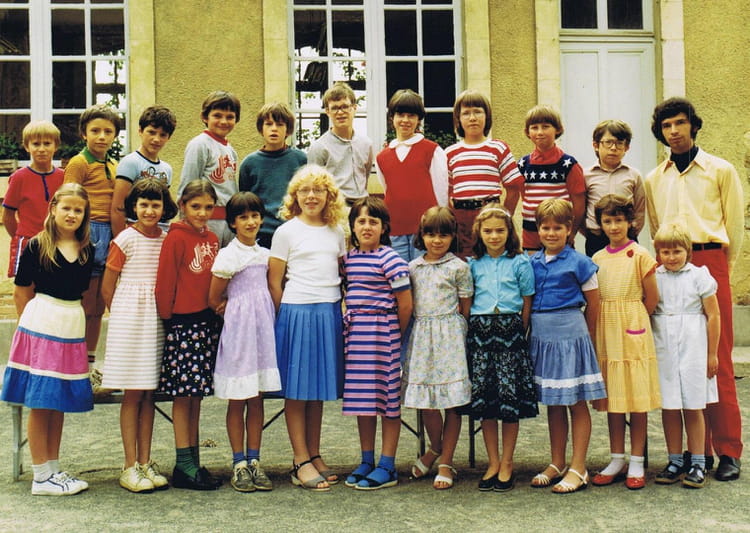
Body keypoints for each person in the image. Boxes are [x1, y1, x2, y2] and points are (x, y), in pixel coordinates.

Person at [645, 97, 744, 481]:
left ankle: (728, 450)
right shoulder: (655, 179)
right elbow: (657, 228)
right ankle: (695, 453)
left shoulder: (721, 170)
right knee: (679, 359)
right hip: (672, 265)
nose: (674, 131)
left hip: (711, 261)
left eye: (680, 123)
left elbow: (734, 227)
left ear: (693, 125)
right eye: (667, 126)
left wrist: (720, 272)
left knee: (716, 359)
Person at [1, 183, 94, 496]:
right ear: (53, 209)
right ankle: (40, 476)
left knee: (58, 401)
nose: (71, 214)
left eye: (78, 210)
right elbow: (21, 291)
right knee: (41, 401)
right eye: (66, 207)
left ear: (85, 215)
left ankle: (53, 469)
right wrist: (29, 333)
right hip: (43, 323)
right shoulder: (36, 245)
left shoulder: (87, 250)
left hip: (71, 325)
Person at [268, 165, 347, 492]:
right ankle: (300, 460)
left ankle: (314, 454)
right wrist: (285, 319)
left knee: (317, 392)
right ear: (295, 196)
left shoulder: (337, 231)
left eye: (318, 190)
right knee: (298, 392)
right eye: (304, 190)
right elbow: (275, 282)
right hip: (297, 311)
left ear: (329, 195)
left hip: (328, 312)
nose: (311, 196)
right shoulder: (286, 232)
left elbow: (342, 273)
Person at [99, 178, 178, 493]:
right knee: (133, 393)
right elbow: (108, 286)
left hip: (155, 321)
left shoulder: (167, 239)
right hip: (131, 321)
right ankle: (129, 464)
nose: (149, 210)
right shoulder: (125, 239)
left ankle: (145, 461)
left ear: (164, 208)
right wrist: (122, 317)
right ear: (134, 206)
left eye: (155, 205)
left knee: (148, 393)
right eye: (143, 204)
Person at [528, 198, 606, 493]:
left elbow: (594, 304)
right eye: (545, 228)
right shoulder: (531, 262)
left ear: (569, 229)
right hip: (542, 336)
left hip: (570, 336)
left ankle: (578, 466)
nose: (551, 233)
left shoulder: (581, 263)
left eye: (557, 228)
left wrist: (588, 338)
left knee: (575, 400)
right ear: (538, 229)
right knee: (554, 400)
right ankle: (557, 461)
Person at [208, 192, 281, 493]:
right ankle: (238, 462)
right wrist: (229, 307)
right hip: (240, 334)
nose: (250, 222)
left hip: (262, 333)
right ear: (232, 223)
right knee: (238, 398)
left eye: (254, 216)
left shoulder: (266, 255)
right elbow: (214, 297)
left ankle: (254, 459)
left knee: (257, 397)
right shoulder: (229, 255)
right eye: (243, 217)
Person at [341, 197, 413, 491]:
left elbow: (405, 304)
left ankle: (387, 464)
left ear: (384, 228)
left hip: (383, 333)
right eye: (361, 221)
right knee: (364, 401)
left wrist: (394, 333)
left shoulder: (391, 259)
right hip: (357, 335)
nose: (367, 227)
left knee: (387, 400)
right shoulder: (348, 259)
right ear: (353, 226)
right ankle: (367, 460)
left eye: (373, 221)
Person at [589, 194, 660, 490]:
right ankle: (617, 458)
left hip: (633, 327)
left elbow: (652, 297)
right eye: (608, 221)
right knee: (615, 397)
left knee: (636, 397)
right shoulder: (597, 259)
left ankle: (637, 460)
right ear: (600, 224)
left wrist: (635, 321)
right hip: (608, 331)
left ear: (630, 222)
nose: (614, 226)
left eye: (619, 220)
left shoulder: (640, 255)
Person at [155, 180, 222, 491]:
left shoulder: (212, 238)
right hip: (183, 324)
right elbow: (165, 284)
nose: (202, 213)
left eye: (208, 207)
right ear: (182, 205)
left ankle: (193, 460)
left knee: (196, 396)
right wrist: (169, 321)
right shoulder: (176, 237)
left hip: (206, 323)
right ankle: (183, 463)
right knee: (183, 396)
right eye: (196, 207)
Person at [466, 203, 538, 492]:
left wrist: (520, 330)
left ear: (509, 232)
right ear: (479, 233)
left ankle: (507, 462)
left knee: (509, 401)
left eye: (499, 230)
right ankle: (493, 462)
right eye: (488, 231)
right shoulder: (473, 264)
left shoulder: (520, 262)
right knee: (486, 402)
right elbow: (468, 300)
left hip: (510, 331)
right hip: (481, 333)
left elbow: (527, 300)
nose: (494, 236)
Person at [402, 206, 473, 490]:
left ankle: (446, 461)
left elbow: (465, 308)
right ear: (422, 235)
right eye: (431, 234)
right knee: (427, 401)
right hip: (422, 338)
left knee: (452, 402)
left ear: (452, 236)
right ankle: (435, 447)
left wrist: (457, 334)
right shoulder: (412, 268)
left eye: (443, 235)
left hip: (450, 338)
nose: (437, 240)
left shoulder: (459, 267)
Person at [650, 224, 720, 489]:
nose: (671, 257)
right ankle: (675, 460)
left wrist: (712, 354)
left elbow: (713, 315)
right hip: (664, 344)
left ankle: (698, 462)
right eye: (665, 252)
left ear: (687, 251)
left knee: (693, 404)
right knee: (669, 405)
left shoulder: (699, 276)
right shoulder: (654, 277)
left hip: (694, 345)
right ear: (658, 253)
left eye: (677, 251)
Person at [63, 104, 121, 375]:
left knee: (98, 306)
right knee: (84, 303)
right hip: (87, 231)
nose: (101, 136)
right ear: (83, 133)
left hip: (108, 233)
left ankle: (90, 363)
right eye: (95, 130)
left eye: (108, 131)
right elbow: (68, 201)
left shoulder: (113, 165)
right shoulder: (79, 163)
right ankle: (74, 365)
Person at [446, 90, 524, 258]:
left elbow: (513, 189)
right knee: (465, 262)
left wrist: (503, 217)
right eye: (466, 113)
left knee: (492, 259)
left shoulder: (498, 148)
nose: (472, 118)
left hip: (490, 216)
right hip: (462, 220)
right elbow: (447, 193)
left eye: (478, 112)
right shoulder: (450, 153)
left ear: (487, 116)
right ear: (458, 119)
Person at [376, 89, 448, 262]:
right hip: (395, 229)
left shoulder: (432, 150)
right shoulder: (382, 157)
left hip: (426, 230)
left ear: (418, 119)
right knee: (399, 274)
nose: (406, 120)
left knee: (424, 273)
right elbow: (388, 190)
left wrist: (438, 225)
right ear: (392, 117)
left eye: (411, 115)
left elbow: (441, 192)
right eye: (400, 115)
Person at [238, 102, 307, 248]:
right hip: (261, 235)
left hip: (294, 233)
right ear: (261, 128)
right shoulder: (249, 164)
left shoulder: (301, 160)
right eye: (269, 124)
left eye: (280, 124)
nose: (274, 129)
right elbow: (245, 203)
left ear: (288, 130)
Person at [517, 105, 585, 251]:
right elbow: (526, 197)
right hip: (531, 236)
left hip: (558, 235)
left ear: (558, 129)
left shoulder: (568, 164)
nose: (540, 132)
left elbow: (579, 204)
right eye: (534, 127)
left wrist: (572, 232)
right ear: (527, 132)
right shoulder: (523, 164)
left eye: (545, 126)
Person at [178, 90, 241, 247]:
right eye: (217, 116)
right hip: (207, 219)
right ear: (205, 117)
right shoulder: (200, 144)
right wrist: (185, 222)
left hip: (227, 221)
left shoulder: (231, 150)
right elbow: (188, 184)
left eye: (230, 117)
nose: (223, 121)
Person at [3, 120, 64, 277]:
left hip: (56, 241)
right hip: (27, 240)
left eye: (47, 143)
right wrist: (19, 236)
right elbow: (8, 215)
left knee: (53, 284)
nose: (41, 149)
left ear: (56, 146)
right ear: (27, 146)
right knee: (25, 285)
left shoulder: (63, 177)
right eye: (36, 144)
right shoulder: (19, 177)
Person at [110, 105, 177, 237]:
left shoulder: (167, 169)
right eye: (151, 132)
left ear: (168, 137)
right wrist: (119, 240)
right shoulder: (130, 162)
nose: (156, 139)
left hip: (158, 233)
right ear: (140, 131)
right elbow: (118, 208)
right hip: (133, 231)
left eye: (163, 135)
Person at [583, 120, 646, 256]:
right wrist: (591, 232)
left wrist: (631, 231)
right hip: (596, 239)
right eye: (608, 142)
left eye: (619, 143)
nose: (613, 148)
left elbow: (640, 210)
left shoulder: (633, 175)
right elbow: (581, 209)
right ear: (596, 145)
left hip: (626, 238)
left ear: (626, 147)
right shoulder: (586, 176)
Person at [308, 82, 374, 205]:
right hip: (335, 207)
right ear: (327, 111)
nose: (340, 112)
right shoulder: (319, 147)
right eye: (335, 108)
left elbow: (365, 176)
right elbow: (315, 185)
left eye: (345, 106)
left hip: (363, 206)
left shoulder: (366, 144)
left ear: (354, 108)